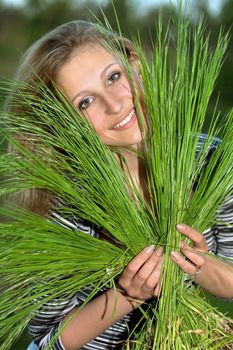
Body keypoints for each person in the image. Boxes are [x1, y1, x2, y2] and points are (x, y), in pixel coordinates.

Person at [6, 20, 233, 350]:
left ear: (135, 64)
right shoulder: (65, 206)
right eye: (86, 102)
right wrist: (127, 294)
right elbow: (47, 342)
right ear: (63, 125)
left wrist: (199, 266)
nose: (115, 104)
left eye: (114, 77)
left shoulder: (211, 162)